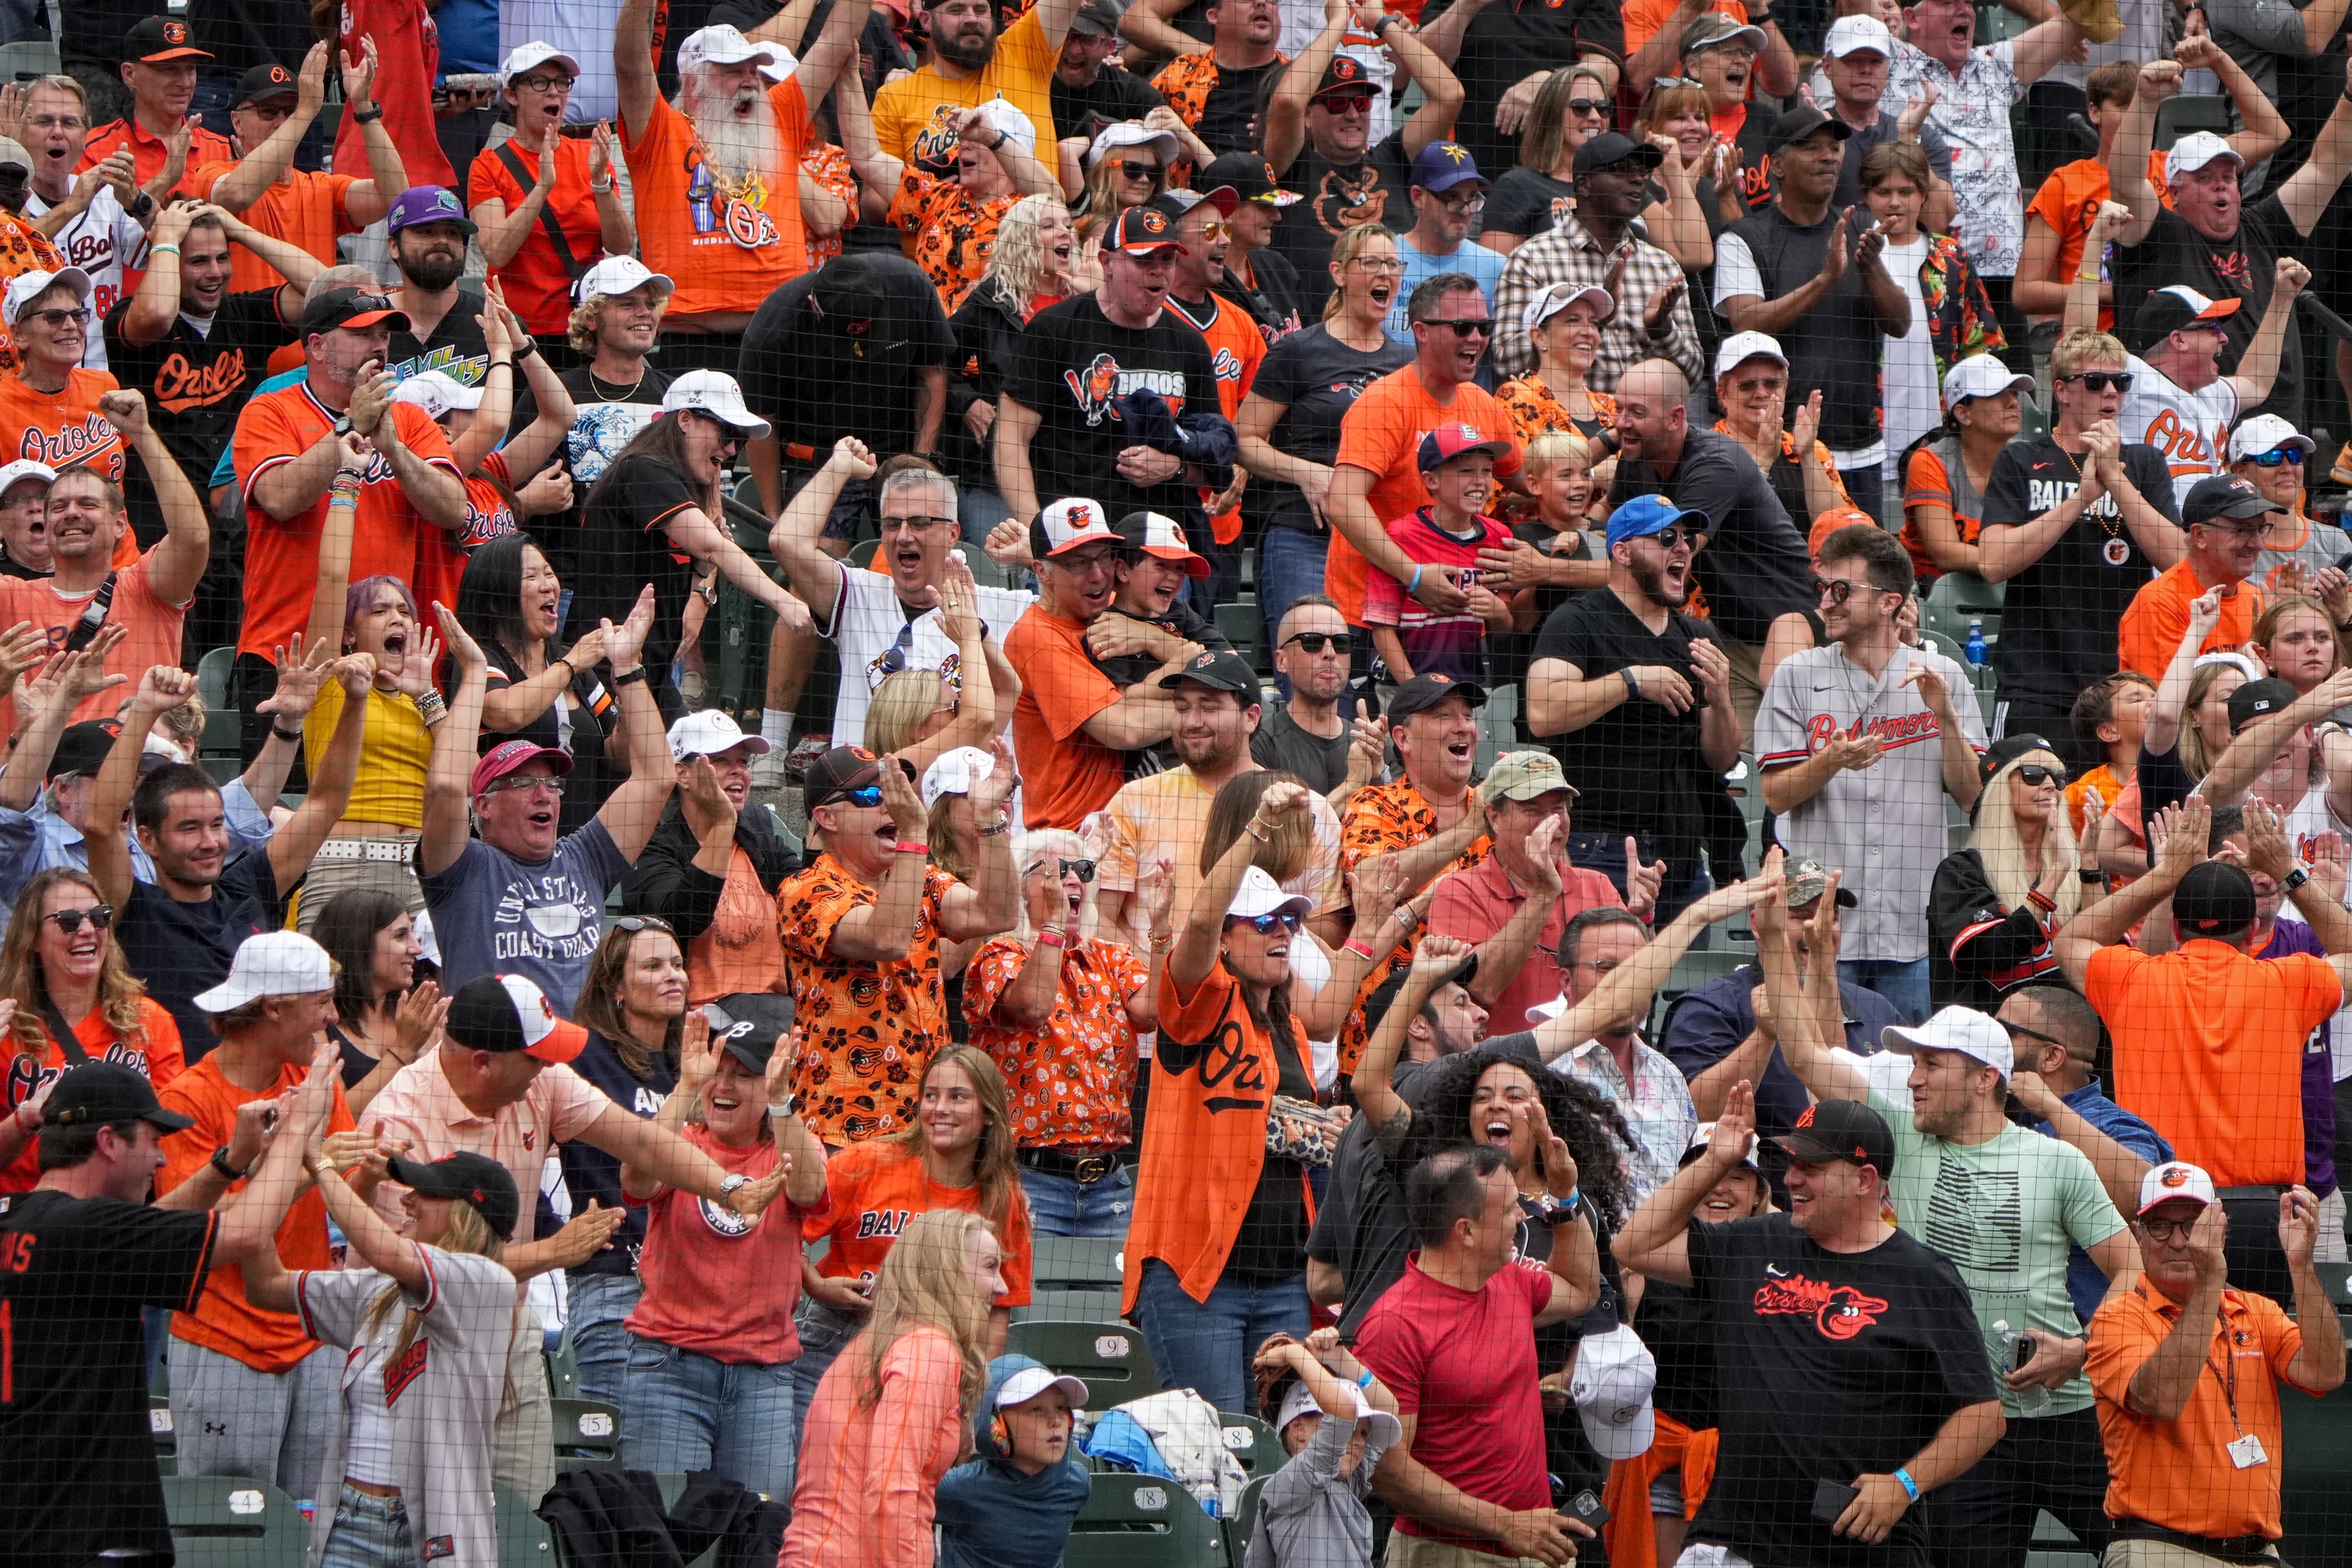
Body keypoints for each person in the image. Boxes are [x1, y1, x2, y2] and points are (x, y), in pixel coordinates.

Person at [1772, 930, 2137, 1568]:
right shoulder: (1901, 1142)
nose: (1912, 1080)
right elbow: (1804, 1055)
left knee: (2143, 1550)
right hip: (1961, 1426)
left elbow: (2133, 1269)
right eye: (1912, 1065)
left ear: (1983, 1078)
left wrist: (2082, 1350)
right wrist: (1775, 938)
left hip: (2070, 1419)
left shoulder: (2056, 1160)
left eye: (1929, 1065)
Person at [1614, 1077, 2005, 1568]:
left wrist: (1906, 1484)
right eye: (1792, 1163)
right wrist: (1716, 1159)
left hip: (1858, 1549)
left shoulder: (1922, 1276)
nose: (1793, 1178)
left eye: (1812, 1167)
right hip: (1735, 1541)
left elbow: (1982, 1416)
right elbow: (1633, 1246)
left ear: (1865, 1179)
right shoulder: (1753, 1243)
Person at [0, 1054, 328, 1568]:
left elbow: (146, 1228)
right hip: (82, 1530)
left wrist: (230, 1162)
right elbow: (244, 1232)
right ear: (108, 1141)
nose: (159, 1159)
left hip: (25, 1519)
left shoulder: (28, 1220)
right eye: (152, 1140)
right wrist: (298, 1127)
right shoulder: (90, 1232)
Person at [2056, 795, 2348, 1301]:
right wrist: (2288, 871)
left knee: (2170, 1366)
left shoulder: (2130, 979)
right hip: (2263, 1220)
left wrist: (2166, 873)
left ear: (2174, 926)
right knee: (2256, 1366)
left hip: (2169, 1213)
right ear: (2254, 929)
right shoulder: (2287, 981)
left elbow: (2070, 939)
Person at [1121, 782, 1330, 1414]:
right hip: (1196, 1279)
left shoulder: (1289, 1027)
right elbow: (1202, 922)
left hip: (1282, 1281)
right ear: (1226, 938)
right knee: (1214, 1448)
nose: (1281, 932)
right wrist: (1259, 827)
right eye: (1263, 921)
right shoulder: (1198, 1007)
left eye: (1290, 920)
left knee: (1277, 1449)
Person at [243, 1144, 526, 1568]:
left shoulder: (489, 1285)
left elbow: (383, 1250)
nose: (407, 1199)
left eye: (427, 1192)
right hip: (348, 1525)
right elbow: (266, 1285)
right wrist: (260, 1183)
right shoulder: (378, 1290)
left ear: (468, 1212)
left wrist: (318, 1164)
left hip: (435, 1531)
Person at [150, 932, 358, 1492]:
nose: (333, 1016)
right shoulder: (184, 1101)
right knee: (232, 1532)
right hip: (226, 1340)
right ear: (274, 1007)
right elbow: (219, 1234)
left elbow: (349, 1179)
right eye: (321, 1002)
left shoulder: (314, 1081)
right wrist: (313, 1167)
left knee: (316, 1524)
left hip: (313, 1335)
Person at [1759, 523, 1986, 1023]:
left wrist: (1944, 718)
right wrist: (1830, 761)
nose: (1826, 604)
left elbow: (1973, 798)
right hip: (1815, 917)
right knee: (1817, 1065)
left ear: (1888, 602)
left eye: (1842, 591)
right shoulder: (1796, 675)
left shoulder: (1942, 675)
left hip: (1911, 919)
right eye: (1823, 590)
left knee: (1903, 1070)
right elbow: (1774, 796)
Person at [229, 287, 466, 760]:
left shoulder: (411, 421)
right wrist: (347, 425)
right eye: (362, 334)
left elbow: (453, 509)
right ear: (317, 346)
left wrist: (395, 450)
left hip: (383, 663)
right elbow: (278, 496)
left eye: (384, 335)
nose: (379, 345)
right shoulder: (270, 411)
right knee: (284, 816)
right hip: (288, 653)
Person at [89, 659, 365, 1060]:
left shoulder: (249, 888)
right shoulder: (132, 906)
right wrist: (146, 711)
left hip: (263, 1095)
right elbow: (100, 825)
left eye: (217, 825)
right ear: (147, 839)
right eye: (189, 828)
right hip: (174, 1101)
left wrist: (355, 702)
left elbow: (326, 803)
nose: (210, 842)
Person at [417, 587, 676, 1008]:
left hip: (578, 1062)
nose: (546, 795)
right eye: (523, 784)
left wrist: (628, 668)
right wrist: (475, 672)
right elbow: (446, 785)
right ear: (483, 804)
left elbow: (656, 777)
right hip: (497, 1059)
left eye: (553, 785)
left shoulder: (586, 857)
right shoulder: (461, 869)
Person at [1355, 1140, 1601, 1566]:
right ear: (1465, 1231)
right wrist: (1505, 1524)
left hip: (1536, 1545)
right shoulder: (1393, 1325)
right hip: (1448, 1555)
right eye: (1509, 1209)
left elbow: (1583, 1290)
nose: (1523, 1217)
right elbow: (1388, 1474)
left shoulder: (1509, 1281)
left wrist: (1565, 1197)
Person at [2090, 1158, 2346, 1562]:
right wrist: (2210, 1281)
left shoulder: (2255, 1311)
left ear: (2221, 1231)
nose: (2178, 1241)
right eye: (2160, 1226)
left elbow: (2326, 1372)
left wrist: (2301, 1267)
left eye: (2193, 1225)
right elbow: (2162, 1400)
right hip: (2160, 1549)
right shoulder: (2117, 1318)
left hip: (2259, 1552)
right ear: (2139, 1235)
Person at [618, 1001, 824, 1497]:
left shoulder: (789, 1146)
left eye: (744, 1075)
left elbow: (810, 1191)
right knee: (663, 1536)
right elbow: (639, 1175)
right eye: (720, 1071)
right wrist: (687, 1085)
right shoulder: (684, 1141)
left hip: (762, 1378)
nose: (724, 1085)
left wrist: (780, 1103)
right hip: (669, 1367)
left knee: (755, 1535)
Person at [776, 744, 1018, 1146]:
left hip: (925, 1125)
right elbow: (886, 939)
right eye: (874, 796)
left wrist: (988, 820)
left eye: (898, 790)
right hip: (845, 1125)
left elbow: (997, 915)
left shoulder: (922, 878)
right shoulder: (805, 889)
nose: (893, 804)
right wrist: (912, 833)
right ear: (826, 818)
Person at [1527, 492, 1740, 931]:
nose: (1682, 547)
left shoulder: (1697, 636)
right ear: (1622, 552)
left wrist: (1720, 701)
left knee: (1686, 992)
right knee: (1604, 987)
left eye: (1686, 538)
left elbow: (1721, 760)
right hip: (1596, 845)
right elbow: (1542, 712)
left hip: (1678, 851)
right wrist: (1631, 681)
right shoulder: (1577, 621)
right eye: (1666, 537)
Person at [611, 2, 868, 364]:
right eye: (733, 71)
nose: (750, 80)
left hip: (786, 337)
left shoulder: (778, 117)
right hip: (694, 348)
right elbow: (629, 64)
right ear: (692, 82)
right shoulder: (659, 131)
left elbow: (837, 40)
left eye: (754, 70)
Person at [2107, 52, 2352, 430]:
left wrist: (2350, 95)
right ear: (2174, 191)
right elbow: (2124, 180)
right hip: (2181, 425)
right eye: (2205, 177)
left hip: (2277, 422)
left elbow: (2326, 164)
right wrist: (2145, 99)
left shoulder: (2265, 227)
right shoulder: (2157, 235)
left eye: (2229, 175)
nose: (2222, 184)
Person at [1979, 327, 2184, 769]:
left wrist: (2116, 480)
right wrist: (2080, 499)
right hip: (2037, 681)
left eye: (2121, 382)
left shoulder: (2145, 462)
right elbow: (1992, 562)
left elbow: (2179, 561)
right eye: (2095, 381)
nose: (2111, 392)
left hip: (2121, 687)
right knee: (2021, 816)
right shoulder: (2020, 458)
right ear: (2063, 391)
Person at [779, 1207, 1010, 1565]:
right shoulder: (928, 1350)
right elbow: (892, 1491)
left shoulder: (886, 1340)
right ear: (946, 1271)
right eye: (990, 1266)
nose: (1002, 1287)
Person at [1717, 106, 1913, 524]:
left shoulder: (1861, 228)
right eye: (1811, 148)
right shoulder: (1744, 237)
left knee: (1861, 577)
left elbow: (1900, 323)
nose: (1828, 156)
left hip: (1860, 443)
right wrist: (1825, 280)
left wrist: (1872, 266)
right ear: (1777, 166)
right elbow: (1745, 320)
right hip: (1781, 446)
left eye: (1834, 147)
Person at [571, 372, 809, 714]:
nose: (730, 450)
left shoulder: (671, 478)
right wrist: (786, 603)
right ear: (684, 419)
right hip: (609, 671)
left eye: (738, 442)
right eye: (726, 434)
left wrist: (701, 569)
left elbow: (701, 560)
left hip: (649, 669)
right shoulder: (645, 471)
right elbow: (712, 545)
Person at [965, 832, 1162, 1237]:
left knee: (1111, 1300)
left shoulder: (1111, 956)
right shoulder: (998, 955)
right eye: (1055, 870)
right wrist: (1052, 925)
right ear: (1021, 887)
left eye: (1082, 870)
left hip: (1109, 1185)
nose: (1073, 879)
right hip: (1027, 1179)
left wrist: (1160, 936)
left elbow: (1153, 1012)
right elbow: (1034, 1005)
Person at [1604, 357, 1817, 733]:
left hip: (1795, 631)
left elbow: (1666, 557)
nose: (1622, 423)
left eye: (1636, 412)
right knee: (1741, 773)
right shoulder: (1637, 456)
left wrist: (1543, 568)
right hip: (1730, 639)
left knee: (1804, 764)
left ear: (1675, 418)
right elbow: (1604, 521)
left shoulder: (1716, 462)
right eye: (1617, 409)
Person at [996, 200, 1230, 533]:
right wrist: (1037, 529)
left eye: (1167, 260)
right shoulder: (1057, 328)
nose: (1157, 270)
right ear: (1106, 263)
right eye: (1142, 260)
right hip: (1074, 537)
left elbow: (1216, 460)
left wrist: (1173, 468)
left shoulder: (1188, 344)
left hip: (1160, 545)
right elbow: (1011, 437)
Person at [1233, 220, 1413, 649]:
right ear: (1338, 273)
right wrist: (1307, 473)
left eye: (1393, 264)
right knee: (1313, 660)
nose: (1384, 274)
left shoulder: (1409, 362)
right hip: (1305, 534)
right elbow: (1242, 439)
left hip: (1383, 542)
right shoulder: (1298, 350)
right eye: (1370, 262)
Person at [103, 200, 315, 547]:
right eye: (198, 261)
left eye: (222, 257)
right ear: (169, 261)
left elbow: (329, 290)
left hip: (239, 518)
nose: (215, 272)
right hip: (164, 525)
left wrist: (239, 231)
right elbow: (157, 314)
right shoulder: (129, 316)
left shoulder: (245, 314)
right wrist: (166, 236)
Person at [1324, 273, 1519, 645]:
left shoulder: (1483, 403)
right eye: (1462, 327)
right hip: (1370, 618)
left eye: (1483, 326)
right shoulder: (1385, 402)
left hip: (1447, 621)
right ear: (1421, 331)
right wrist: (1413, 575)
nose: (1476, 338)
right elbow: (1342, 502)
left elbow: (1527, 483)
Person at [0, 394, 208, 716]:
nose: (71, 514)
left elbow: (193, 538)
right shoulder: (10, 598)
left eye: (88, 504)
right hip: (36, 765)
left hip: (130, 763)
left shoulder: (146, 589)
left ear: (120, 524)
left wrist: (141, 434)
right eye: (58, 507)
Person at [551, 918, 685, 1406]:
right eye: (653, 965)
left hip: (690, 1289)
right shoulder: (582, 1056)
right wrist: (554, 1234)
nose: (673, 975)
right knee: (618, 1460)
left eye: (676, 963)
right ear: (616, 988)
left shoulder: (695, 1064)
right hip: (614, 1283)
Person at [1002, 501, 1194, 829]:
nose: (1098, 575)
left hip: (1134, 819)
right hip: (1074, 832)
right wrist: (1212, 713)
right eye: (1078, 563)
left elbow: (1226, 664)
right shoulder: (1037, 637)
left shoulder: (1123, 609)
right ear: (1042, 572)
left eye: (1105, 557)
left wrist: (1151, 637)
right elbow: (1124, 728)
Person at [1422, 751, 1644, 1035]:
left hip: (1590, 1064)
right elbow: (1484, 987)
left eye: (1559, 810)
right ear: (1494, 817)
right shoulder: (1459, 892)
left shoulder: (1597, 885)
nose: (1551, 822)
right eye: (1533, 810)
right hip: (1504, 1071)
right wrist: (1543, 895)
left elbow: (1634, 983)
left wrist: (1639, 920)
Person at [738, 258, 958, 536]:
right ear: (812, 304)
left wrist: (921, 458)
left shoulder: (910, 287)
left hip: (898, 450)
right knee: (816, 564)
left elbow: (933, 376)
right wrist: (774, 518)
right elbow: (760, 427)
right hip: (818, 459)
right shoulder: (772, 330)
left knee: (921, 543)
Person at [1262, 9, 1462, 307]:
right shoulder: (1289, 166)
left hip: (1392, 327)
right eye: (1338, 103)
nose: (1353, 114)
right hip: (1314, 331)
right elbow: (1288, 100)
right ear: (1308, 116)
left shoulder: (1393, 158)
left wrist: (1383, 25)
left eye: (1362, 102)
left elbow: (1451, 96)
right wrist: (1339, 24)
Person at [0, 868, 185, 1189]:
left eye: (100, 917)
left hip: (120, 1217)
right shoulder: (6, 1026)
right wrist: (22, 1120)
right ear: (32, 940)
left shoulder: (150, 1021)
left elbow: (170, 1139)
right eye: (68, 920)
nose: (87, 929)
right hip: (29, 1216)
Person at [504, 254, 673, 588]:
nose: (645, 313)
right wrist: (532, 500)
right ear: (591, 318)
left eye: (651, 303)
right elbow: (502, 488)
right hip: (567, 584)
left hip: (658, 584)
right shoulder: (552, 393)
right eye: (628, 304)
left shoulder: (675, 397)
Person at [1491, 133, 1705, 390]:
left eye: (1641, 171)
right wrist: (1592, 321)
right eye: (1620, 170)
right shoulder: (1533, 259)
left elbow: (1692, 375)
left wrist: (1661, 329)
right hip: (1567, 420)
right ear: (1584, 186)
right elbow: (1507, 361)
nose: (1637, 179)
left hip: (1644, 423)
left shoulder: (1661, 265)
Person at [190, 47, 407, 296]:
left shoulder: (323, 187)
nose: (281, 122)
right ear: (237, 122)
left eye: (290, 111)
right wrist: (304, 111)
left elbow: (395, 198)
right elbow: (237, 195)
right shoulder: (213, 172)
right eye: (268, 111)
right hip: (249, 329)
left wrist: (363, 106)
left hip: (315, 332)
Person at [618, 713, 800, 1005]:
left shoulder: (762, 841)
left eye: (742, 762)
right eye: (720, 761)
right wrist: (723, 824)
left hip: (776, 1015)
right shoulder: (654, 847)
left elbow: (808, 902)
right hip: (696, 1018)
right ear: (682, 774)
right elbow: (681, 919)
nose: (738, 771)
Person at [468, 45, 634, 343]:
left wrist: (600, 183)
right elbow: (496, 251)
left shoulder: (590, 155)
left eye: (561, 82)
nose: (554, 92)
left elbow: (622, 245)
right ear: (512, 95)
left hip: (585, 329)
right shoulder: (489, 165)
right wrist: (543, 186)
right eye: (539, 82)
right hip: (519, 333)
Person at [945, 195, 1077, 541]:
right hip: (997, 476)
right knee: (1001, 576)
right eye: (1049, 226)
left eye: (1068, 225)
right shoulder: (992, 301)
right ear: (1023, 239)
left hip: (1072, 469)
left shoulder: (1086, 302)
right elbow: (938, 361)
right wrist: (967, 402)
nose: (1065, 233)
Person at [2114, 275, 2309, 508]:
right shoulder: (2131, 378)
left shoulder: (2212, 393)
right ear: (2179, 339)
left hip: (2207, 533)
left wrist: (2282, 299)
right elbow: (2079, 346)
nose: (2224, 338)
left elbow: (2256, 382)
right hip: (2148, 530)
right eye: (2214, 328)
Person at [1928, 734, 2084, 1011]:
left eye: (2057, 778)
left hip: (2066, 1037)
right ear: (2000, 789)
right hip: (1986, 1040)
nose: (2050, 785)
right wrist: (2055, 876)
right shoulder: (1961, 872)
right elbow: (1992, 954)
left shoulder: (2078, 865)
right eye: (2034, 774)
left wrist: (2092, 866)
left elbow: (2106, 946)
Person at [860, 102, 1055, 318]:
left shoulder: (1030, 212)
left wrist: (993, 137)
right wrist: (848, 76)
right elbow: (868, 158)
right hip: (935, 340)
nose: (964, 146)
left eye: (977, 139)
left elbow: (1054, 198)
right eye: (963, 138)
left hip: (995, 342)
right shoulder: (939, 197)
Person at [1363, 423, 1517, 685]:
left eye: (1486, 471)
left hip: (1467, 687)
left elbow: (1501, 632)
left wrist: (1499, 613)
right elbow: (1382, 628)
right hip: (1401, 684)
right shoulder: (1400, 535)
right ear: (1430, 480)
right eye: (1465, 471)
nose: (1479, 480)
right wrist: (1412, 689)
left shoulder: (1500, 537)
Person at [1414, 0, 1621, 190]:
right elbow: (1423, 63)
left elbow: (1607, 71)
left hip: (1566, 176)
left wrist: (1550, 83)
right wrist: (1466, 6)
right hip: (1475, 175)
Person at [1246, 1330, 1403, 1568]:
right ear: (1298, 1428)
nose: (1359, 1441)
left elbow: (1389, 1407)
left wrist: (1339, 1358)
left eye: (1363, 1432)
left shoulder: (1347, 1483)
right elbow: (1343, 1412)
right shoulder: (1293, 1482)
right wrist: (1296, 1354)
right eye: (1346, 1431)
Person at [2116, 474, 2285, 681]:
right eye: (2243, 530)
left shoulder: (2258, 600)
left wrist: (2292, 622)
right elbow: (2172, 706)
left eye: (2260, 529)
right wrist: (2244, 661)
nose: (2257, 543)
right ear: (2199, 536)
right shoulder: (2159, 602)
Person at [934, 1355, 1095, 1568]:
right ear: (995, 1425)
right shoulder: (958, 1488)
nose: (1055, 1421)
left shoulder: (1077, 1484)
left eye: (1060, 1408)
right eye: (1036, 1410)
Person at [1900, 353, 2030, 583]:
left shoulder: (2027, 460)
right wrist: (2020, 558)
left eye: (2013, 392)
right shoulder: (1930, 462)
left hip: (2008, 593)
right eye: (1996, 394)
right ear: (1963, 414)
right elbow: (1947, 554)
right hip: (1935, 596)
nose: (2013, 402)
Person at [309, 889, 437, 1116]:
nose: (417, 949)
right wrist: (403, 1049)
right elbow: (339, 1117)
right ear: (361, 943)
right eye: (400, 936)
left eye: (413, 935)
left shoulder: (416, 1014)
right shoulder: (318, 1025)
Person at [0, 267, 129, 491]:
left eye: (78, 314)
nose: (71, 325)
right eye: (54, 317)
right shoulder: (3, 406)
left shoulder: (105, 386)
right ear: (20, 334)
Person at [77, 18, 232, 199]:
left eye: (190, 69)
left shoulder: (222, 150)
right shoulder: (94, 150)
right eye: (169, 70)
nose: (184, 83)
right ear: (129, 74)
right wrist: (167, 177)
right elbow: (86, 223)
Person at [1253, 596, 1386, 803]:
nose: (1330, 653)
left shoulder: (1370, 744)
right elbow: (1279, 832)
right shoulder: (1259, 746)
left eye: (1342, 643)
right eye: (1312, 642)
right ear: (1281, 660)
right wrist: (1352, 785)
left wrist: (1378, 775)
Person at [1820, 15, 1955, 214]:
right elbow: (1801, 220)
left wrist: (1908, 142)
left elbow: (1939, 220)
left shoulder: (1921, 137)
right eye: (1852, 60)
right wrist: (1822, 149)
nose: (1866, 70)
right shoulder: (1811, 133)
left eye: (1876, 61)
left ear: (1888, 67)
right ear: (1827, 67)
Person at [1476, 65, 1614, 258]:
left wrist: (1673, 171)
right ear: (1551, 114)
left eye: (1603, 108)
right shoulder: (1517, 186)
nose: (1595, 117)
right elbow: (1492, 274)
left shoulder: (1625, 183)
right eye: (1581, 107)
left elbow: (1671, 247)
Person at [1387, 142, 1505, 338]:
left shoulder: (1497, 268)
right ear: (1417, 196)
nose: (1466, 210)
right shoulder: (1384, 259)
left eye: (1472, 197)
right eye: (1452, 197)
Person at [1140, 0, 1287, 157]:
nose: (1261, 2)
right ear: (1214, 16)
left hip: (1268, 181)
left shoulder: (1294, 81)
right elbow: (1142, 131)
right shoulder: (1181, 73)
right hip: (1189, 182)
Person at [2228, 416, 2348, 599]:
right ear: (2240, 471)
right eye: (2270, 458)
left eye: (2295, 456)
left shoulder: (2334, 541)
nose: (2287, 468)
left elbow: (2347, 623)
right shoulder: (2224, 544)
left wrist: (2341, 616)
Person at [1496, 281, 1618, 450]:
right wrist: (1595, 471)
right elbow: (1514, 473)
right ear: (1539, 337)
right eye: (1573, 320)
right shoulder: (1516, 398)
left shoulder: (1610, 405)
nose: (1589, 331)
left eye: (1594, 323)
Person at [1050, 0, 1163, 142]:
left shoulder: (1132, 93)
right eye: (1068, 35)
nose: (1075, 50)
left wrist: (1135, 134)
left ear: (1110, 47)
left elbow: (1181, 146)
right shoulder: (1029, 77)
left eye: (1088, 40)